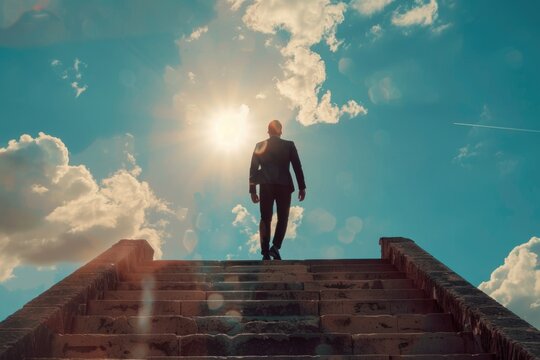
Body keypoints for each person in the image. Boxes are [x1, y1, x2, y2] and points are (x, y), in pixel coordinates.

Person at [249, 120, 306, 260]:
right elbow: (297, 166)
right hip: (284, 185)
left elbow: (253, 169)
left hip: (266, 184)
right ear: (281, 131)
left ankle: (265, 252)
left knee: (265, 218)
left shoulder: (260, 145)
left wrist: (252, 190)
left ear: (268, 132)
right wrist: (302, 186)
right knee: (283, 218)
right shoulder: (289, 145)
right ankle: (275, 247)